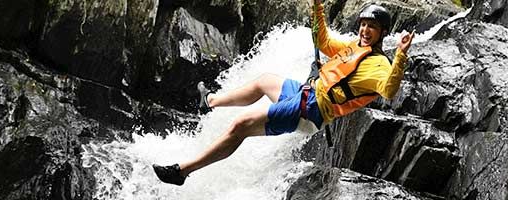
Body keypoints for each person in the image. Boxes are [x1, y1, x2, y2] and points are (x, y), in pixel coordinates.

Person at [152, 1, 415, 186]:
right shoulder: (352, 45)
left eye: (372, 27)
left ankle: (183, 172)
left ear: (383, 33)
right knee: (264, 82)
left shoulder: (380, 64)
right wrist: (318, 7)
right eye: (363, 24)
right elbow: (322, 41)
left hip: (312, 110)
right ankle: (209, 101)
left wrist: (401, 55)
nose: (365, 31)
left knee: (240, 125)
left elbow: (389, 91)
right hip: (305, 92)